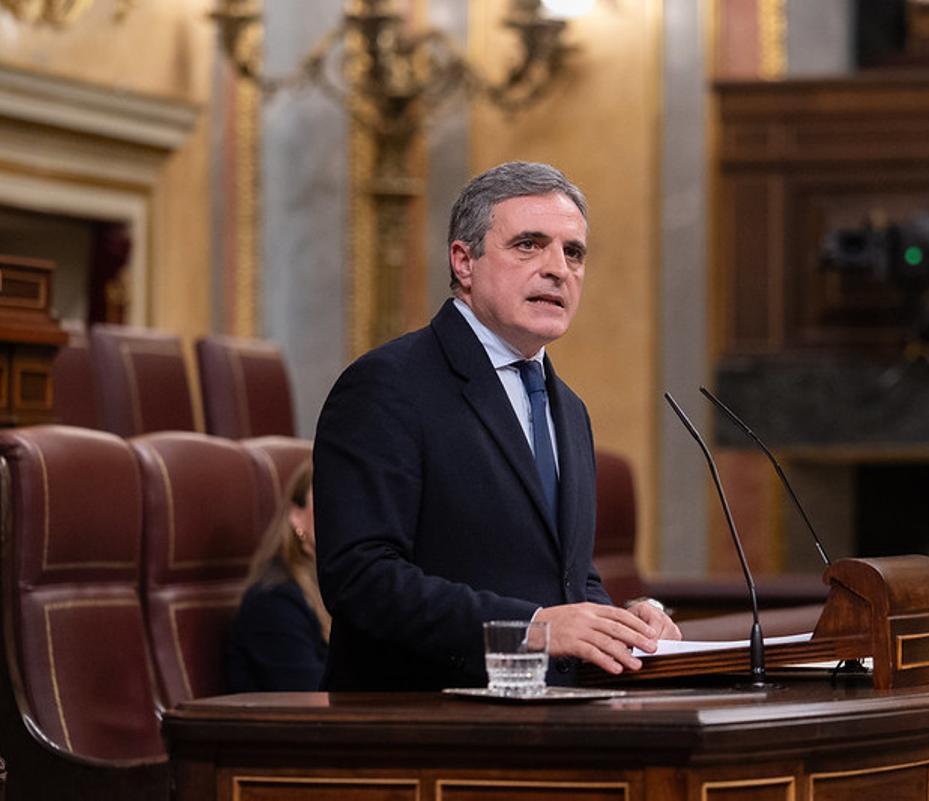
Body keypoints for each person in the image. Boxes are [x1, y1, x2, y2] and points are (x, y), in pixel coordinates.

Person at [314, 161, 680, 691]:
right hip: (421, 722)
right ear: (464, 261)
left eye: (573, 252)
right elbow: (361, 580)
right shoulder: (387, 385)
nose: (558, 268)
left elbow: (561, 578)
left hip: (550, 718)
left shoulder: (568, 407)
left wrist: (621, 627)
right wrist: (529, 629)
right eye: (529, 244)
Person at [226, 465, 330, 692]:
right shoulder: (274, 601)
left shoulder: (344, 585)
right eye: (330, 499)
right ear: (296, 517)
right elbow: (311, 700)